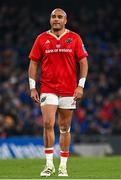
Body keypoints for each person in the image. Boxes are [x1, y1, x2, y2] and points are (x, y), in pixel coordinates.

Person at [28, 8, 88, 177]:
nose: (56, 19)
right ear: (50, 19)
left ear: (65, 20)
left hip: (69, 89)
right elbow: (33, 63)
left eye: (59, 17)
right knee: (47, 123)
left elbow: (83, 62)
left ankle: (62, 166)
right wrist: (33, 87)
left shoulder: (74, 38)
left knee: (64, 128)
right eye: (53, 16)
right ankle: (48, 165)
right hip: (48, 87)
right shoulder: (41, 38)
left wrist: (80, 86)